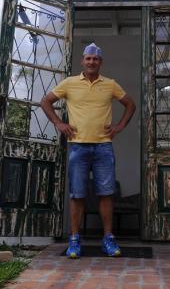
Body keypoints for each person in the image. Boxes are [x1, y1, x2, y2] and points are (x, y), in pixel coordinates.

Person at [41, 42, 136, 259]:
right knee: (77, 194)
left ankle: (108, 239)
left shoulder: (110, 84)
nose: (91, 62)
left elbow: (130, 104)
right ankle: (74, 240)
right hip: (78, 146)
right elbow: (46, 102)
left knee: (106, 194)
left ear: (100, 62)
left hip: (103, 146)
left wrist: (119, 127)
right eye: (88, 58)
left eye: (95, 59)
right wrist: (59, 123)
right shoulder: (69, 83)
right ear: (82, 61)